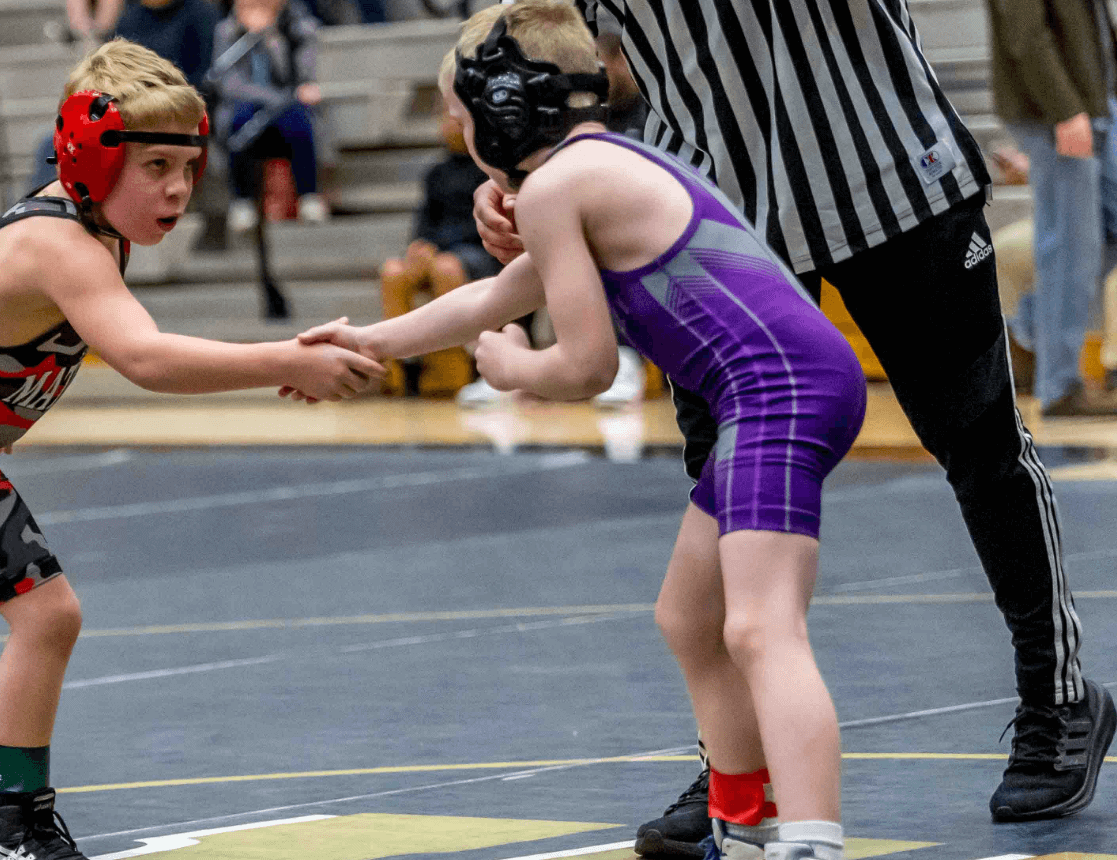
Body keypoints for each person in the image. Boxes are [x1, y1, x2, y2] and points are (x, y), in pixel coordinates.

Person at [474, 0, 1114, 845]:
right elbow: (554, 46)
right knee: (722, 485)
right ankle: (737, 763)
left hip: (892, 178)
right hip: (711, 215)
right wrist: (519, 168)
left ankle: (1057, 693)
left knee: (980, 446)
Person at [296, 6, 867, 859]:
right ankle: (740, 826)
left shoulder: (565, 184)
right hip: (774, 387)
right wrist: (370, 344)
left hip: (777, 389)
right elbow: (496, 297)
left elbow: (586, 366)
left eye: (460, 116)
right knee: (689, 616)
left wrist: (511, 370)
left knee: (759, 627)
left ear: (504, 108)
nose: (460, 135)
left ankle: (811, 844)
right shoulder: (589, 172)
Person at [0, 38, 382, 859]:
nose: (177, 187)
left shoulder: (94, 225)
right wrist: (283, 359)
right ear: (91, 162)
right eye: (155, 164)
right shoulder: (62, 243)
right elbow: (146, 358)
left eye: (186, 165)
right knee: (47, 614)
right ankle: (16, 825)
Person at [989, 0, 1117, 415]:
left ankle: (1026, 326)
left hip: (1096, 105)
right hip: (1057, 112)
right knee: (1070, 249)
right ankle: (1059, 386)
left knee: (1097, 235)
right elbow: (1025, 31)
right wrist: (1065, 111)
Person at [379, 97, 503, 397]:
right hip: (440, 251)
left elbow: (485, 225)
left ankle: (454, 374)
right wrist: (419, 246)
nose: (447, 127)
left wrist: (437, 249)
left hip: (480, 253)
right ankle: (404, 368)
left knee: (445, 268)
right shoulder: (436, 173)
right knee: (393, 271)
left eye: (454, 121)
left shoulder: (490, 169)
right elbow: (425, 218)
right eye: (444, 121)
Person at [213, 0, 330, 232]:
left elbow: (300, 75)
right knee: (240, 121)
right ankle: (242, 201)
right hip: (250, 107)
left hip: (288, 109)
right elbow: (230, 84)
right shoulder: (226, 31)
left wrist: (270, 38)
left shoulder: (298, 26)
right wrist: (249, 39)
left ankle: (308, 196)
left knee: (296, 119)